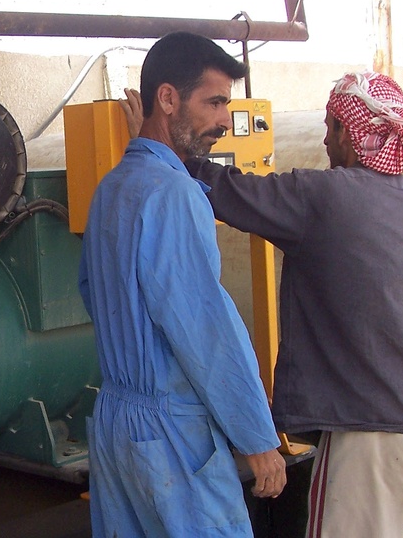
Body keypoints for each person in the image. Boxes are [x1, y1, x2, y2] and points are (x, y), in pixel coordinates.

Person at [158, 69, 403, 537]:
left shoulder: (324, 196)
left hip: (369, 443)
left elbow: (229, 192)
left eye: (331, 126)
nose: (325, 140)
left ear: (351, 132)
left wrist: (164, 148)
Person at [79, 31, 286, 537]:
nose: (224, 120)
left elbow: (90, 289)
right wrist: (257, 437)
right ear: (167, 98)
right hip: (174, 434)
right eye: (214, 102)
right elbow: (205, 330)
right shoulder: (174, 195)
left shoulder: (112, 188)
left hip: (117, 427)